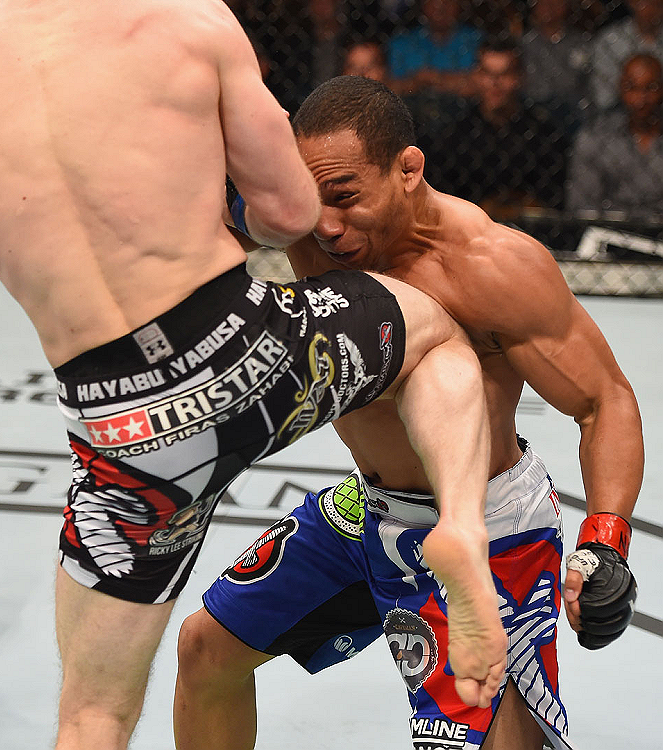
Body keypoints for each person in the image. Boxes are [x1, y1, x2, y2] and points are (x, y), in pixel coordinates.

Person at [0, 0, 506, 747]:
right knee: (433, 330)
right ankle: (457, 528)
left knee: (92, 712)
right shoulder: (187, 19)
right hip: (245, 355)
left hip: (121, 437)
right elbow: (293, 213)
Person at [173, 77, 642, 750]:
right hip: (370, 509)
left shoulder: (490, 266)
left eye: (345, 197)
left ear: (408, 169)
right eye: (313, 200)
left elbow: (604, 402)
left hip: (487, 528)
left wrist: (605, 542)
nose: (327, 226)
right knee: (205, 650)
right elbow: (195, 201)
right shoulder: (305, 221)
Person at [423, 36, 570, 218]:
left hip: (530, 233)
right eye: (487, 74)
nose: (495, 83)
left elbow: (552, 204)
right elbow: (441, 203)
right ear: (476, 76)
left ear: (519, 77)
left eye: (504, 74)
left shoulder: (545, 134)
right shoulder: (453, 136)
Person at [567, 53, 663, 220]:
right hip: (609, 232)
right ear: (620, 88)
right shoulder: (595, 137)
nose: (640, 99)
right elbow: (583, 206)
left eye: (650, 88)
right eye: (631, 87)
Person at [387, 0, 482, 99]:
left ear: (459, 4)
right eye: (433, 1)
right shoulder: (401, 42)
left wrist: (431, 78)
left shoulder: (476, 40)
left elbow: (481, 84)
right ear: (422, 5)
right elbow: (390, 87)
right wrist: (415, 82)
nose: (440, 8)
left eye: (447, 1)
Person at [590, 0, 663, 111]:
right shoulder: (609, 40)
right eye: (647, 1)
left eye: (659, 3)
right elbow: (603, 98)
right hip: (619, 112)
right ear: (632, 0)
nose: (653, 9)